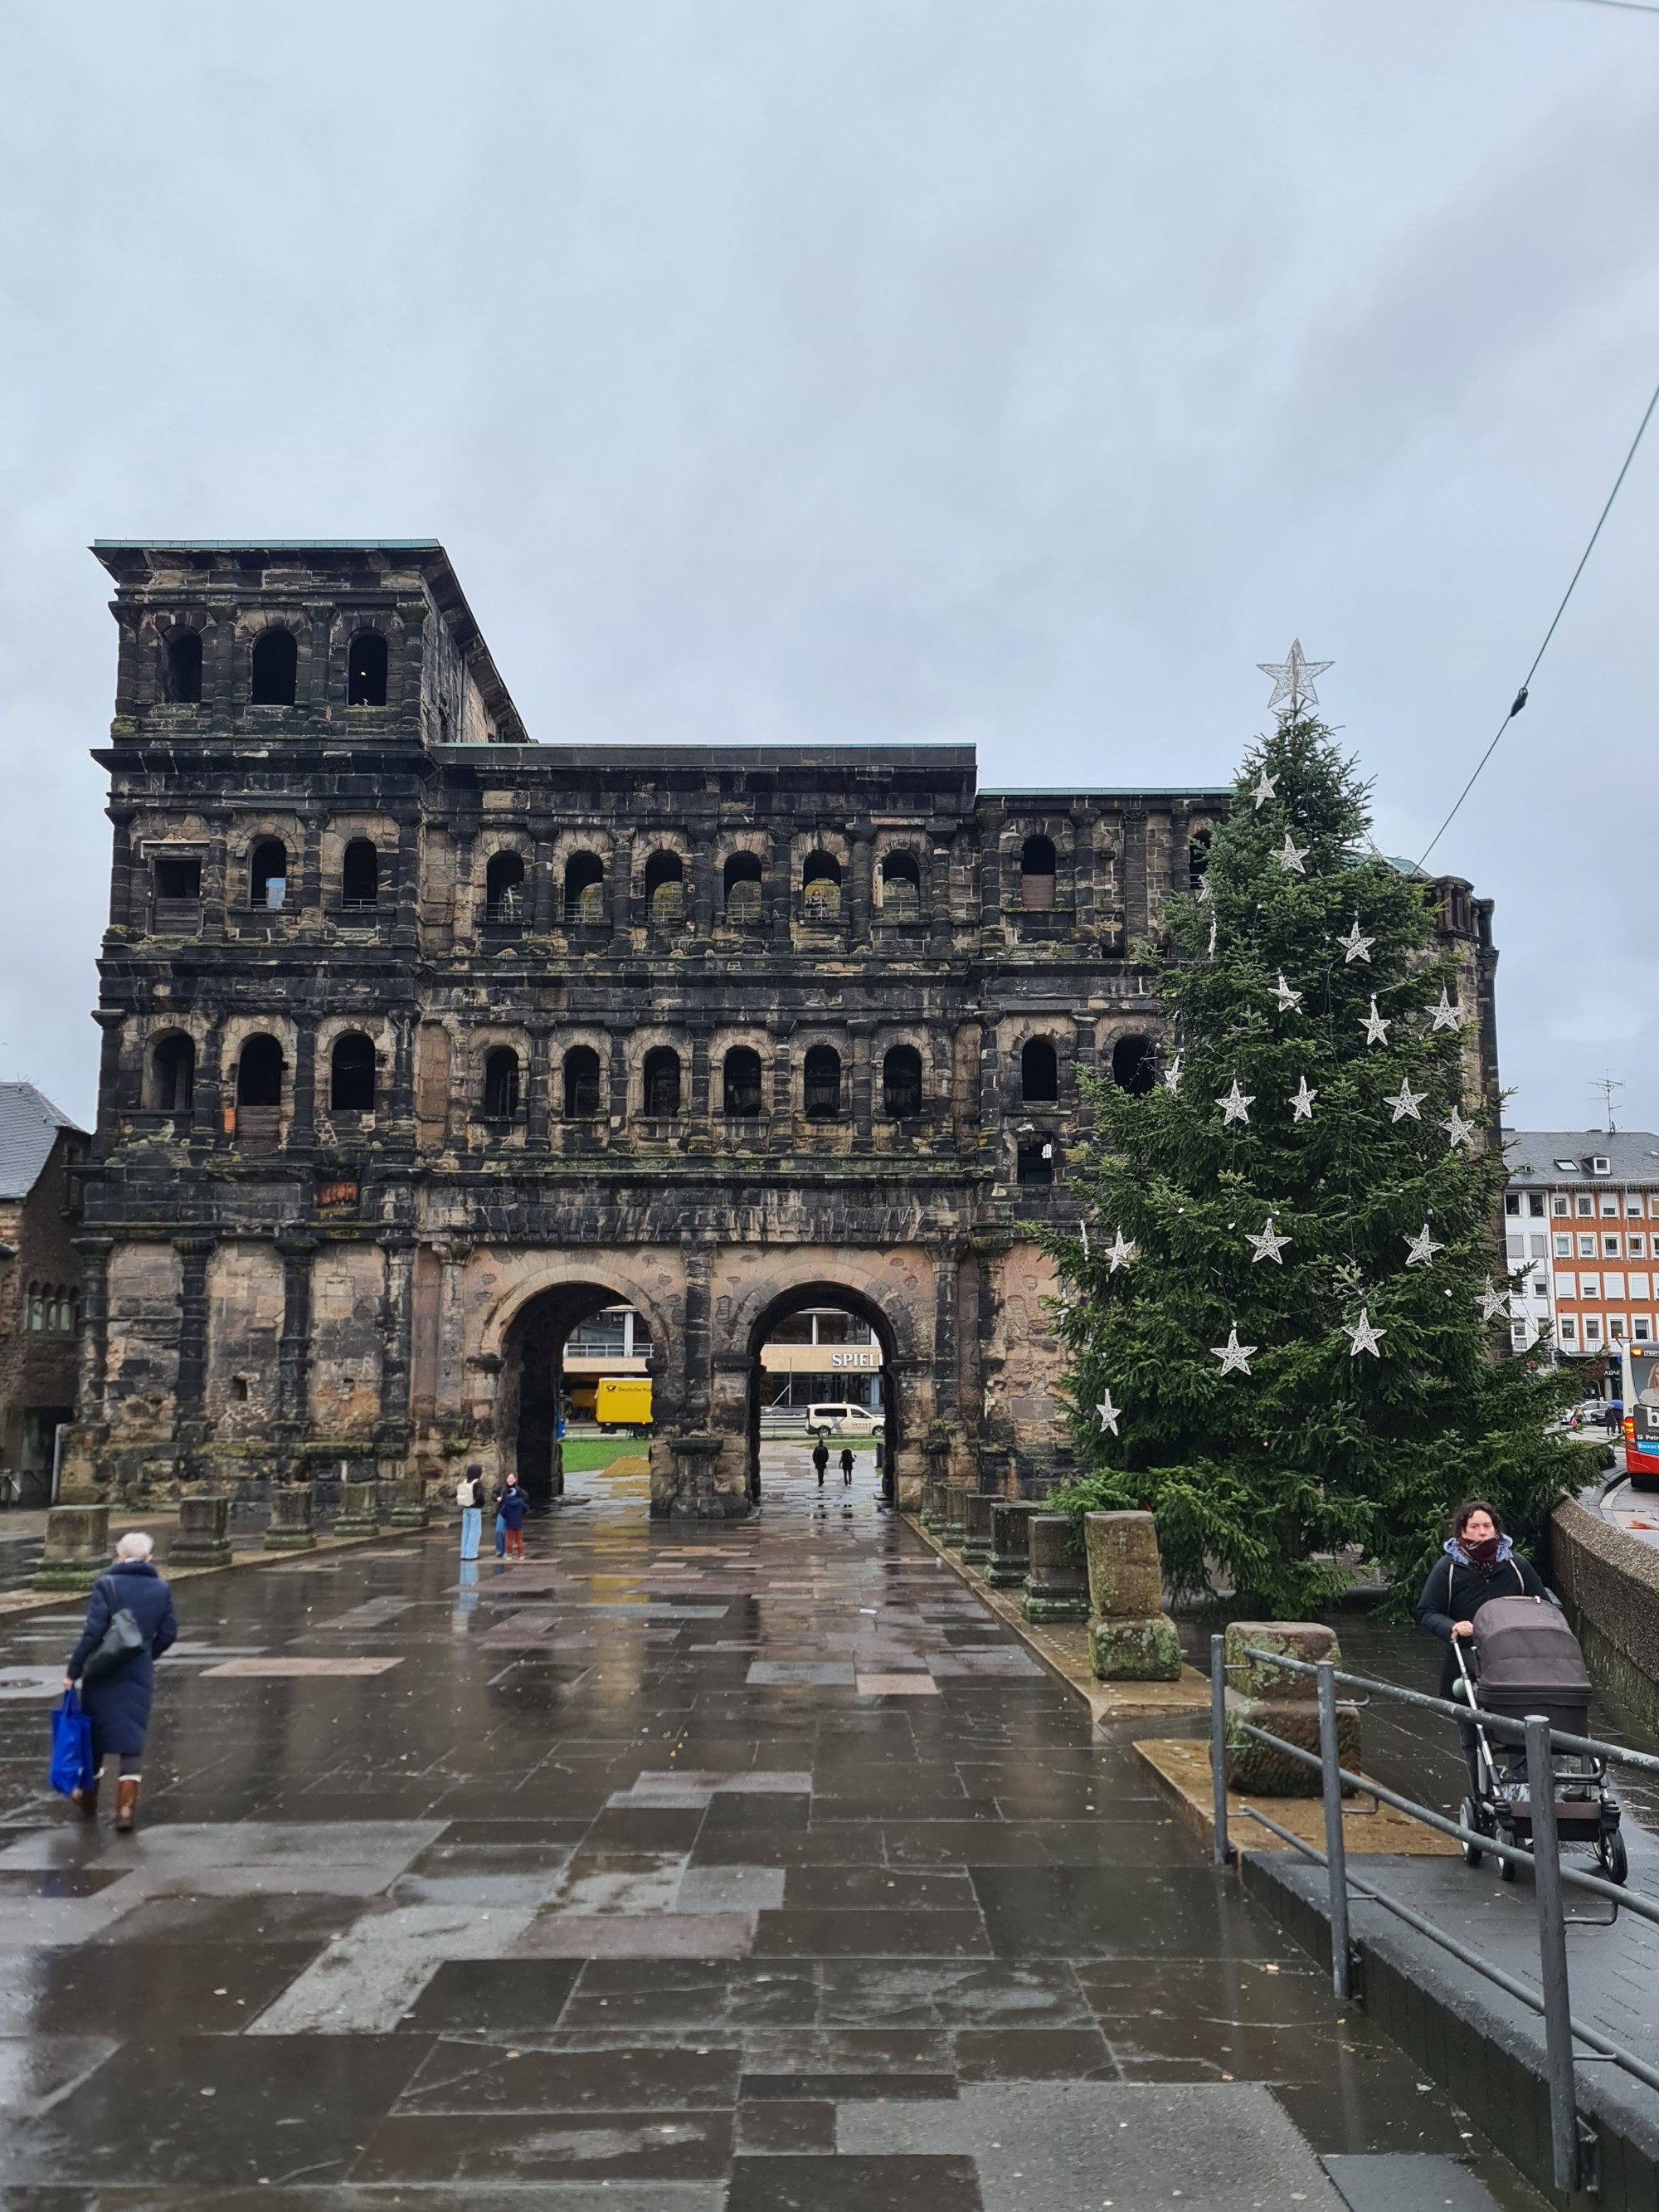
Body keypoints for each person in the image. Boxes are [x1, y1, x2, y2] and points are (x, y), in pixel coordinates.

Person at [1416, 1500, 1549, 1797]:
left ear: (1496, 1528)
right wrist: (1451, 1626)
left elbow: (1544, 1603)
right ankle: (1481, 1793)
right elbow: (1426, 1611)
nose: (1481, 1533)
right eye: (1474, 1527)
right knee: (1473, 1735)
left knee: (1519, 1727)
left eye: (1486, 1526)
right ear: (1462, 1531)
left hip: (1513, 1660)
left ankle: (1521, 1787)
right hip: (1466, 1659)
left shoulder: (1515, 1565)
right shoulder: (1449, 1569)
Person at [61, 1530, 177, 1833]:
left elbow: (93, 1633)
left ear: (120, 1555)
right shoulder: (160, 1588)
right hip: (138, 1671)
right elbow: (169, 1633)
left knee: (96, 1736)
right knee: (132, 1740)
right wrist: (145, 1654)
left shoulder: (106, 1583)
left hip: (102, 1669)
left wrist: (74, 1671)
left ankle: (88, 1798)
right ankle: (125, 1809)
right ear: (149, 1558)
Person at [494, 1469, 528, 1560]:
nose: (511, 1480)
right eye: (509, 1478)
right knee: (499, 1530)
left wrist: (518, 1504)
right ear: (506, 1479)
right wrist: (497, 1498)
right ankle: (499, 1550)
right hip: (502, 1512)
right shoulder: (501, 1489)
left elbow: (526, 1497)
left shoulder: (518, 1490)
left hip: (512, 1515)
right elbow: (493, 1494)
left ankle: (507, 1551)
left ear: (516, 1479)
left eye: (512, 1478)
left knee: (510, 1534)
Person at [456, 1464, 485, 1561]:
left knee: (466, 1531)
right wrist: (482, 1503)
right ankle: (471, 1554)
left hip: (465, 1508)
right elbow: (480, 1496)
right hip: (475, 1508)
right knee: (475, 1531)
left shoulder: (465, 1481)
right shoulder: (477, 1483)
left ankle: (464, 1553)